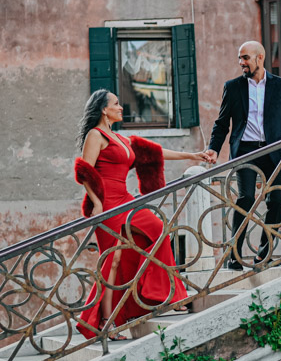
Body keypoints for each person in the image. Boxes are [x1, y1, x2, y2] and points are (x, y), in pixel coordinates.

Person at [73, 89, 211, 340]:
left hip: (125, 201)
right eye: (116, 104)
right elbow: (84, 170)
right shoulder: (95, 135)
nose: (121, 107)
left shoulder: (121, 139)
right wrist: (96, 202)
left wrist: (192, 155)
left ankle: (165, 294)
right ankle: (106, 323)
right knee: (111, 261)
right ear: (104, 109)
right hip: (107, 205)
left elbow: (156, 152)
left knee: (156, 229)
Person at [203, 41, 281, 271]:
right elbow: (221, 124)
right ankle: (235, 256)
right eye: (239, 58)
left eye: (245, 58)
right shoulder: (233, 86)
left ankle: (263, 255)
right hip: (246, 151)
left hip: (275, 151)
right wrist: (214, 149)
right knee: (245, 199)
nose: (241, 63)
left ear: (260, 57)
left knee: (276, 201)